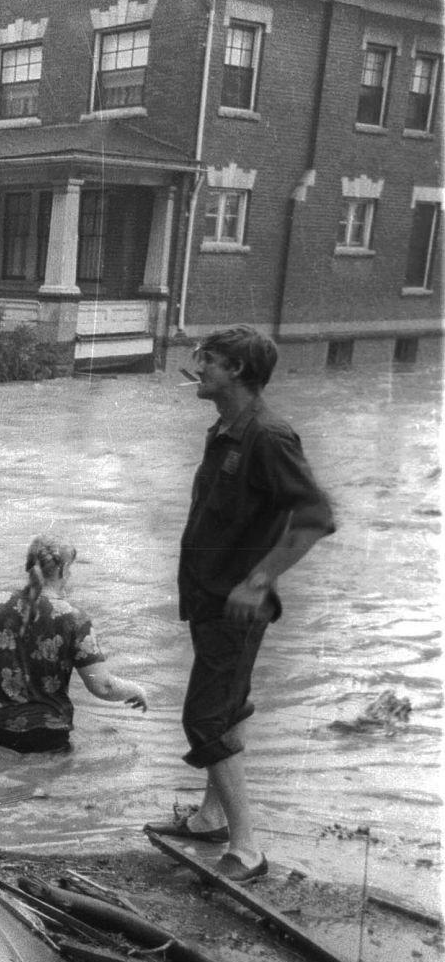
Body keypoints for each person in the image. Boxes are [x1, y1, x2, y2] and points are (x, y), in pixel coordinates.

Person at [149, 325, 334, 882]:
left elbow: (315, 518)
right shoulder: (226, 430)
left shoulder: (268, 436)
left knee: (204, 719)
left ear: (236, 370)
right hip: (211, 597)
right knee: (225, 709)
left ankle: (247, 850)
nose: (197, 366)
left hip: (236, 603)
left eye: (207, 358)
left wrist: (258, 580)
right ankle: (211, 818)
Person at [0, 535, 148, 753]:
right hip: (42, 735)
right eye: (70, 568)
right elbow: (103, 686)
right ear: (63, 570)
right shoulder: (75, 619)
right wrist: (137, 690)